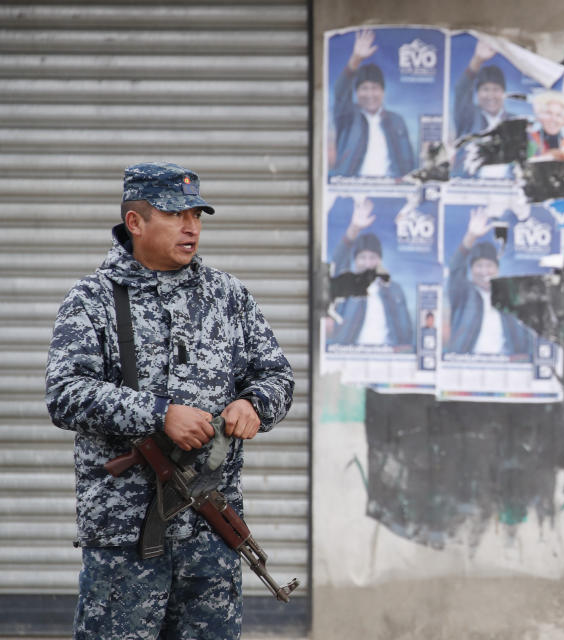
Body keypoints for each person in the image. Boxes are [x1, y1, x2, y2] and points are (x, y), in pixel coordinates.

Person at [45, 162, 295, 639]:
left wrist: (255, 405)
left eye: (197, 215)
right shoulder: (93, 299)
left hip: (210, 529)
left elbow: (276, 375)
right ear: (135, 222)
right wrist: (160, 414)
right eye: (176, 215)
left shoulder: (227, 296)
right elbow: (64, 394)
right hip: (125, 538)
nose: (191, 227)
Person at [446, 207, 533, 355]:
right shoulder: (463, 293)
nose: (484, 271)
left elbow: (526, 335)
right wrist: (471, 236)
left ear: (497, 270)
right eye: (479, 266)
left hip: (505, 365)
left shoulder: (510, 299)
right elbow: (455, 269)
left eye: (489, 266)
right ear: (471, 270)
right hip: (466, 364)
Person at [329, 196, 413, 347]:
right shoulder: (347, 285)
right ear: (355, 260)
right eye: (362, 257)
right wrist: (354, 228)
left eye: (372, 257)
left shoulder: (395, 290)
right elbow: (338, 260)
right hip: (349, 356)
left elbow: (406, 332)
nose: (368, 263)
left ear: (379, 260)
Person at [331, 29, 415, 178]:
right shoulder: (347, 116)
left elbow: (408, 163)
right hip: (353, 190)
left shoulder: (397, 121)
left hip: (390, 191)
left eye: (375, 88)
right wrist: (355, 59)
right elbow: (340, 92)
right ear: (356, 93)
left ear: (383, 92)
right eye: (364, 88)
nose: (370, 94)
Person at [453, 39, 515, 138]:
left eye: (496, 89)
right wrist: (477, 60)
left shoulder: (515, 122)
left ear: (504, 93)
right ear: (477, 93)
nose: (491, 95)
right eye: (485, 89)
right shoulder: (469, 117)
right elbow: (461, 90)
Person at [527, 91, 564, 162]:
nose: (553, 119)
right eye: (549, 113)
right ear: (541, 116)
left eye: (559, 115)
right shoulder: (528, 139)